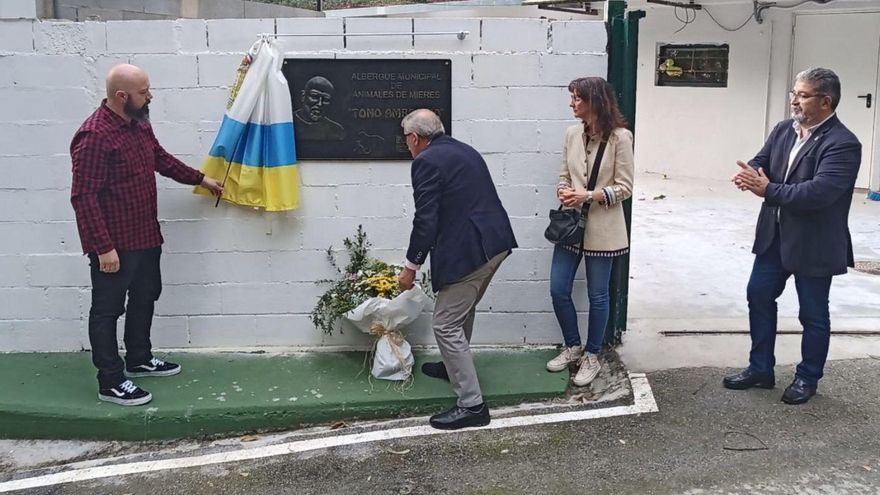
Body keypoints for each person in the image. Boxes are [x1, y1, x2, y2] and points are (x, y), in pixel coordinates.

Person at [70, 64, 224, 406]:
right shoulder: (94, 136)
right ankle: (110, 381)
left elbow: (160, 159)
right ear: (121, 96)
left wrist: (200, 179)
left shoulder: (138, 124)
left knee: (146, 296)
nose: (150, 95)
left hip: (145, 235)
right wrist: (103, 248)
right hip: (115, 244)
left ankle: (139, 358)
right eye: (144, 91)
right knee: (107, 310)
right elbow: (84, 197)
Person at [725, 67, 861, 405]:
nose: (794, 101)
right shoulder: (785, 129)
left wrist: (768, 189)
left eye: (802, 95)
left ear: (825, 101)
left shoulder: (843, 143)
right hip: (774, 235)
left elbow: (818, 193)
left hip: (814, 242)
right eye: (794, 93)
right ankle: (760, 369)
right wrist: (750, 173)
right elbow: (762, 159)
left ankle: (807, 378)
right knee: (758, 295)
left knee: (812, 314)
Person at [397, 109, 517, 430]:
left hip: (471, 251)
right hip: (495, 243)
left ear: (414, 138)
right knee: (462, 311)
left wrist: (410, 268)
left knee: (445, 324)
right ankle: (455, 369)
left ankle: (472, 405)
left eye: (406, 141)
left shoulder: (425, 161)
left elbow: (426, 220)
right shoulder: (462, 149)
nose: (407, 147)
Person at [545, 77, 634, 387]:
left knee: (598, 295)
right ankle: (573, 346)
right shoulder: (571, 134)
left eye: (577, 99)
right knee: (558, 288)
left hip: (604, 227)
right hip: (571, 226)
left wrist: (587, 196)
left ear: (595, 101)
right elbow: (563, 175)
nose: (572, 104)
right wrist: (564, 192)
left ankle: (592, 354)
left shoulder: (620, 138)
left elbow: (625, 187)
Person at [293, 76, 345, 141]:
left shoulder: (336, 130)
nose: (320, 104)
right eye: (314, 96)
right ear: (303, 96)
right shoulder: (287, 124)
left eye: (325, 99)